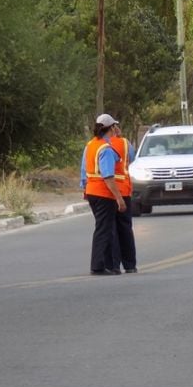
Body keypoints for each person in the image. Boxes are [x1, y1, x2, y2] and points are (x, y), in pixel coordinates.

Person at [80, 114, 126, 275]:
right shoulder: (105, 150)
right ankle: (98, 266)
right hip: (103, 194)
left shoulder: (91, 145)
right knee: (104, 230)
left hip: (92, 191)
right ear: (111, 128)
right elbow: (108, 176)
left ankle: (107, 264)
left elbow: (84, 170)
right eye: (114, 126)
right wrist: (119, 198)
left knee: (103, 228)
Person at [110, 121, 138, 273]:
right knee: (125, 228)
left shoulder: (94, 145)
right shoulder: (125, 143)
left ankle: (114, 265)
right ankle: (130, 265)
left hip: (107, 192)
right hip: (124, 190)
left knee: (111, 229)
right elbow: (131, 159)